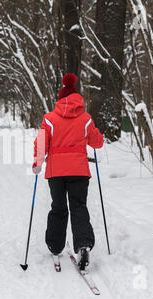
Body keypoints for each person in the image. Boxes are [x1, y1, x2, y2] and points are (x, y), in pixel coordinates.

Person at [32, 73, 104, 271]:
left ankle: (55, 245)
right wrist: (95, 135)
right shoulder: (86, 119)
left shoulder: (50, 119)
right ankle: (83, 245)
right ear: (77, 99)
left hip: (56, 172)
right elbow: (97, 142)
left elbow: (40, 143)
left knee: (59, 207)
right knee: (79, 207)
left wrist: (37, 163)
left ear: (60, 99)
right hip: (79, 171)